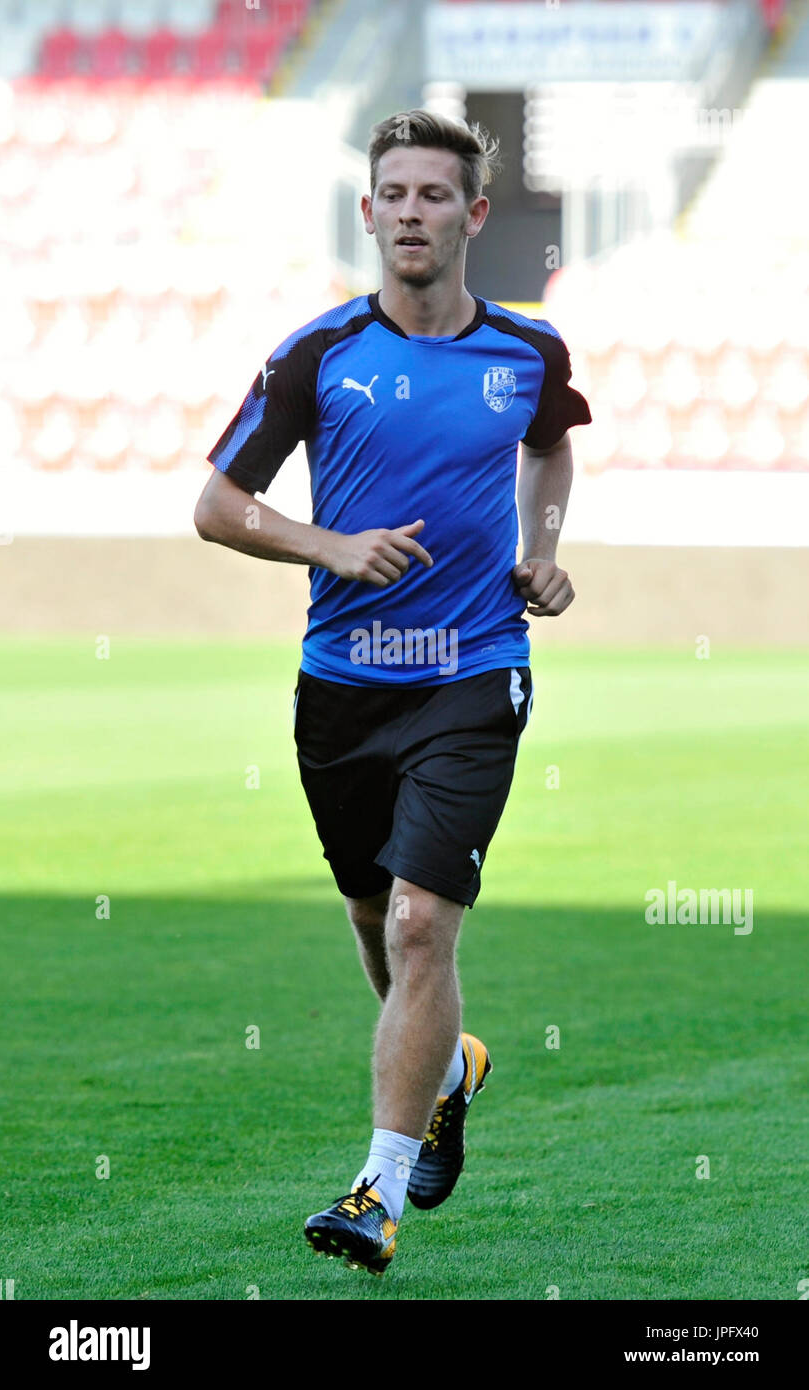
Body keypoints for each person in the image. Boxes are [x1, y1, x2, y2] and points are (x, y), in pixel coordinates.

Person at [193, 109, 591, 1277]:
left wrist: (544, 543)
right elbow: (219, 505)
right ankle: (449, 1066)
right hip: (344, 693)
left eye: (434, 195)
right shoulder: (319, 355)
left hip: (475, 672)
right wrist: (332, 546)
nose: (411, 212)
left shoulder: (528, 353)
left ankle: (375, 1192)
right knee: (378, 925)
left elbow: (553, 447)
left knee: (423, 922)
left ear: (473, 216)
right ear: (369, 213)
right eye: (393, 194)